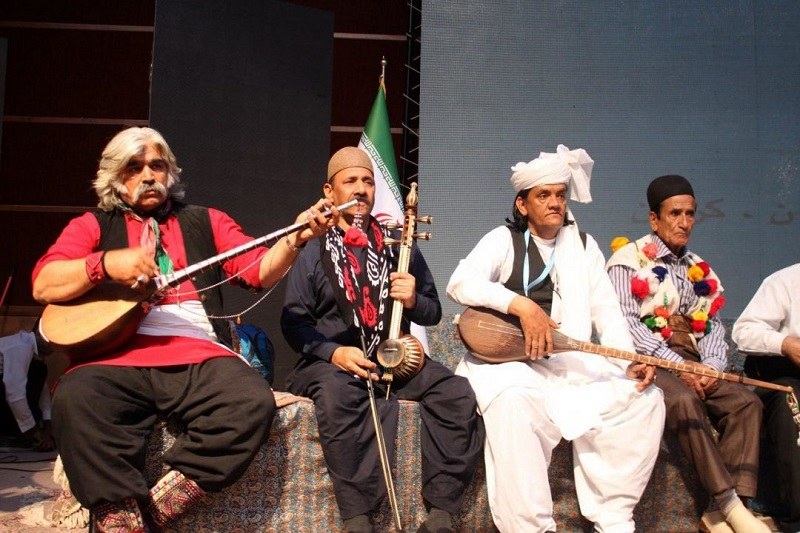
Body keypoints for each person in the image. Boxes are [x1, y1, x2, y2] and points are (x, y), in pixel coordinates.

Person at [31, 126, 337, 532]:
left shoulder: (205, 220)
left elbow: (259, 271)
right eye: (133, 168)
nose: (148, 176)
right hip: (114, 353)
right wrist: (104, 265)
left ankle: (155, 513)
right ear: (114, 178)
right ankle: (118, 513)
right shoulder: (92, 225)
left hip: (195, 349)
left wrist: (296, 239)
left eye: (157, 166)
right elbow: (43, 283)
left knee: (250, 401)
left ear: (170, 172)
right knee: (74, 397)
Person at [447, 144, 665, 533]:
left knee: (643, 398)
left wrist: (628, 360)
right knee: (516, 403)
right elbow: (460, 282)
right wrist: (521, 306)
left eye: (560, 195)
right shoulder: (502, 239)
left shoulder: (583, 246)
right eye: (543, 195)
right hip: (506, 364)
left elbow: (607, 312)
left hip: (566, 362)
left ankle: (613, 516)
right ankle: (531, 527)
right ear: (523, 204)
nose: (554, 203)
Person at [281, 147, 484, 533]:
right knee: (340, 394)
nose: (361, 189)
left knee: (456, 393)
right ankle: (358, 518)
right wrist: (334, 352)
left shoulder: (399, 241)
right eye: (351, 181)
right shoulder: (313, 246)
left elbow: (432, 312)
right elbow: (294, 323)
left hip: (392, 357)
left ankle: (441, 512)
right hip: (332, 364)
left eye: (368, 181)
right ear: (330, 191)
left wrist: (413, 298)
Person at [606, 174, 768, 533]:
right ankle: (731, 504)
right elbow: (627, 325)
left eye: (690, 214)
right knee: (682, 400)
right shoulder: (627, 260)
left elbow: (710, 326)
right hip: (647, 361)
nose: (683, 222)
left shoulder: (700, 268)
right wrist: (680, 367)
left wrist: (711, 367)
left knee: (746, 402)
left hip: (693, 360)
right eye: (675, 213)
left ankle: (717, 513)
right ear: (654, 219)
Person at [732, 263, 800, 532]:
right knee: (792, 405)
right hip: (784, 378)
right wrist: (784, 344)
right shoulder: (786, 281)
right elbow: (743, 332)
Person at [0, 324, 54, 451]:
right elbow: (14, 392)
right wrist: (33, 431)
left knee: (39, 369)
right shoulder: (21, 346)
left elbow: (43, 391)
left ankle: (21, 433)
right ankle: (12, 434)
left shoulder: (34, 355)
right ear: (39, 332)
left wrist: (48, 426)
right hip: (6, 397)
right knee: (38, 370)